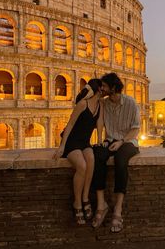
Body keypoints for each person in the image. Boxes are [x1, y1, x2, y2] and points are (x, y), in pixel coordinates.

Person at [92, 73, 140, 233]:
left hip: (128, 141)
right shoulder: (104, 103)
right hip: (110, 140)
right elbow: (99, 121)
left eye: (104, 86)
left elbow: (135, 128)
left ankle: (118, 209)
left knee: (120, 161)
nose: (102, 88)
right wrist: (101, 140)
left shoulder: (131, 102)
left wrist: (121, 142)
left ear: (113, 88)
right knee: (97, 156)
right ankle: (101, 204)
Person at [53, 78, 103, 225]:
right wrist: (62, 146)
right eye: (103, 87)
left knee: (91, 160)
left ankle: (85, 197)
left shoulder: (100, 106)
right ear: (99, 89)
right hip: (72, 141)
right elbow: (69, 125)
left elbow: (99, 124)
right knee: (81, 165)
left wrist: (100, 140)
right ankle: (77, 203)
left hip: (84, 142)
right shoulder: (82, 104)